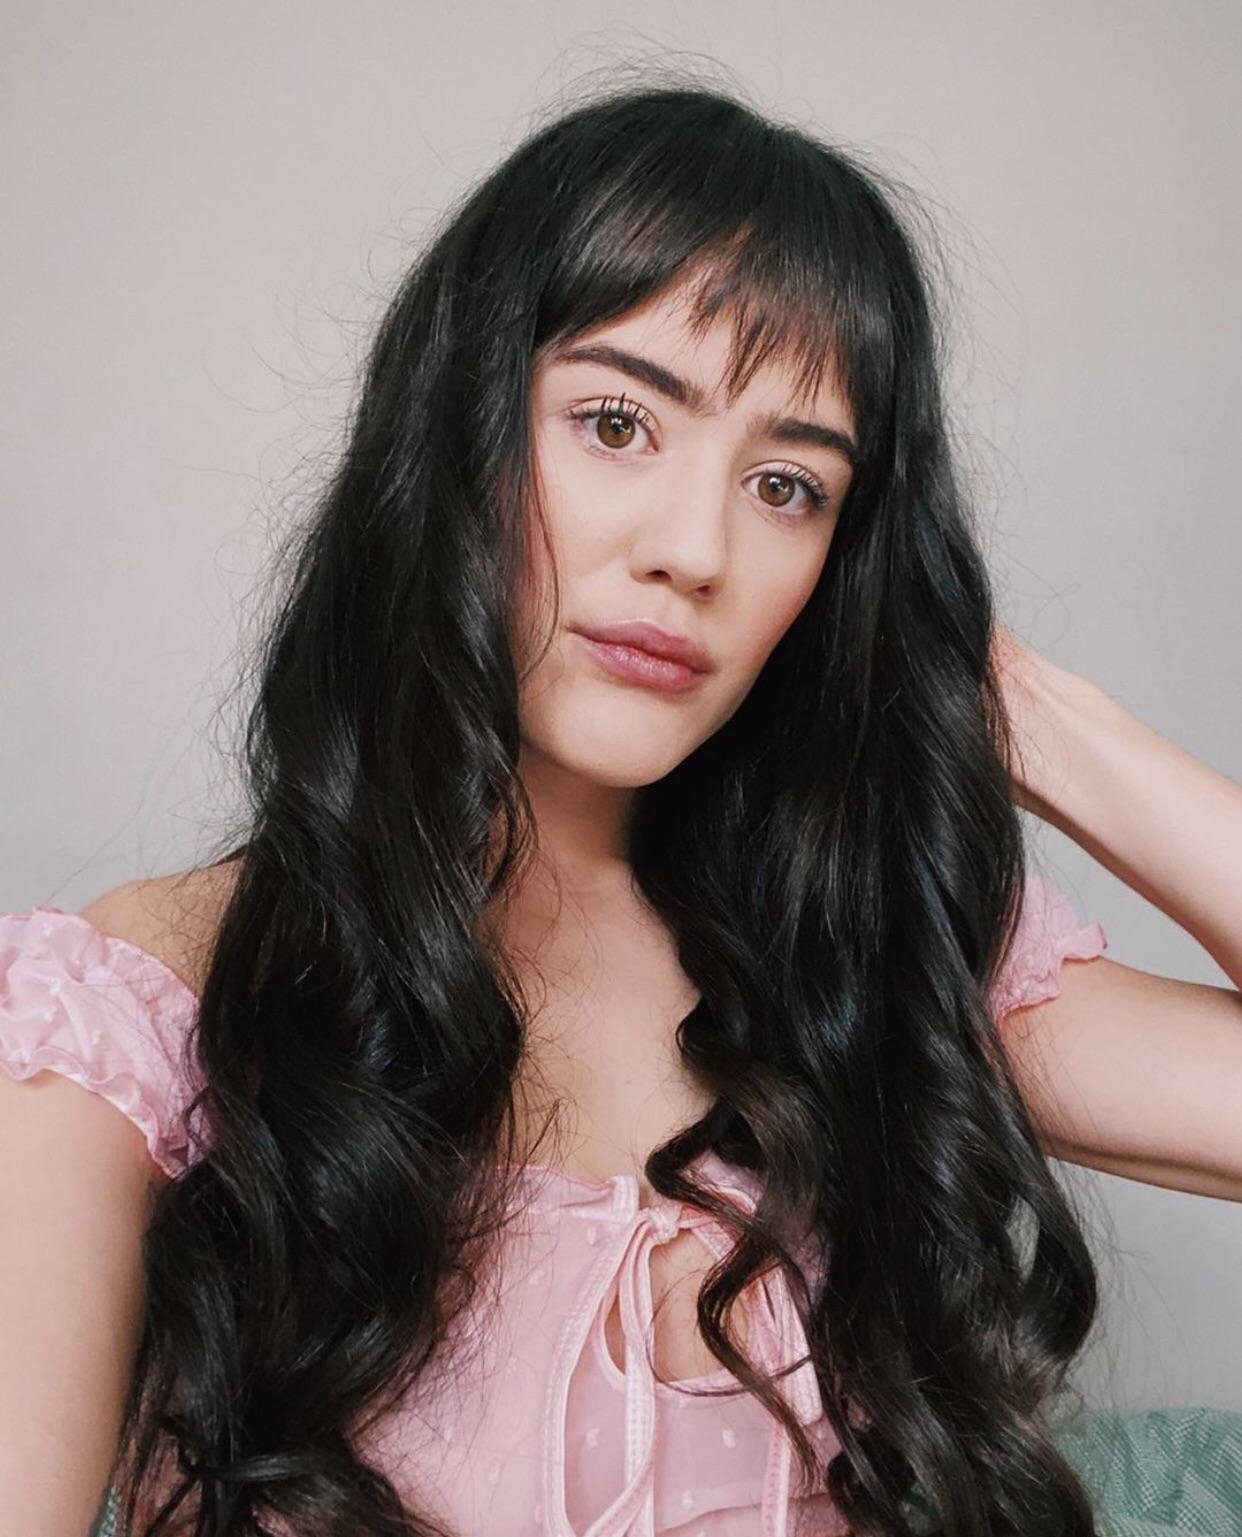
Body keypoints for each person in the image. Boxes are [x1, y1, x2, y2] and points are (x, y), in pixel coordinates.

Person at [2, 75, 1240, 1537]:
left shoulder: (872, 957)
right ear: (456, 438)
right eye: (614, 422)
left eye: (787, 487)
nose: (695, 549)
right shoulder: (146, 1003)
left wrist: (1033, 715)